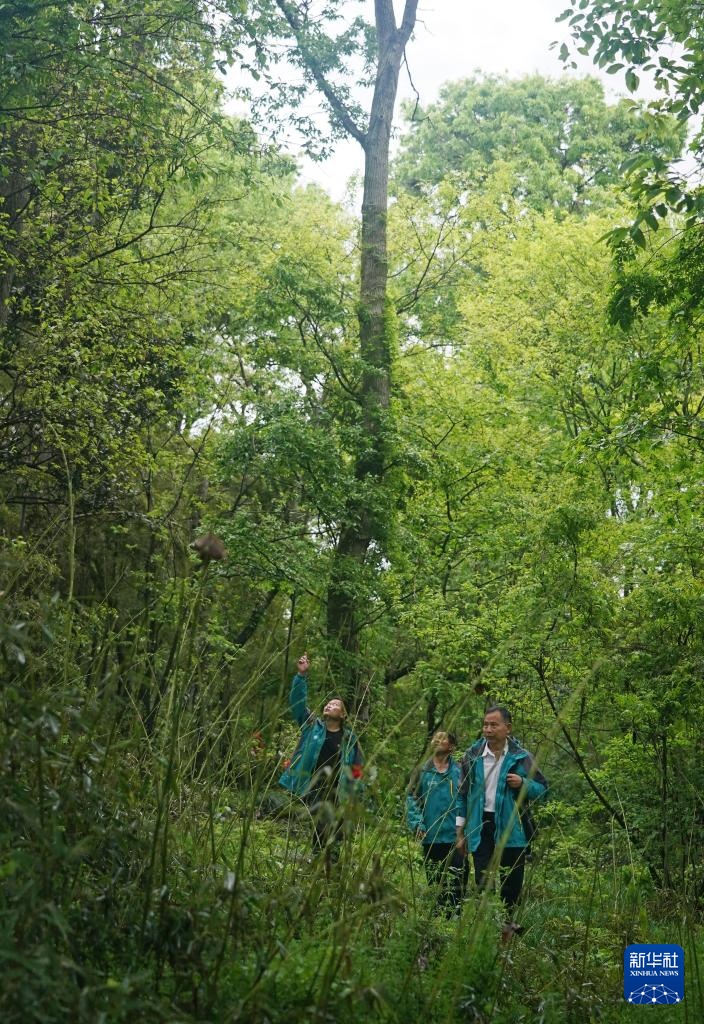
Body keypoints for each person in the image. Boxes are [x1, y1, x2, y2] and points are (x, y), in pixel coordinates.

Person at [455, 704, 547, 931]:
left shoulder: (521, 757)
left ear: (508, 727)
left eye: (493, 725)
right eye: (485, 725)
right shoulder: (472, 756)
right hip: (480, 825)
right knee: (483, 880)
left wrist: (523, 783)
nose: (488, 729)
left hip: (512, 827)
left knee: (511, 882)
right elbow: (462, 795)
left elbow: (543, 790)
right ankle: (485, 929)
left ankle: (507, 927)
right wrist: (460, 832)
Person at [279, 653, 363, 866]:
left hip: (339, 790)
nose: (328, 706)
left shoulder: (349, 738)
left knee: (338, 828)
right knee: (321, 824)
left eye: (334, 705)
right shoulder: (312, 726)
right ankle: (318, 860)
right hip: (315, 786)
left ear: (343, 715)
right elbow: (298, 703)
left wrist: (356, 792)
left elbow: (357, 767)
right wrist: (301, 676)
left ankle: (331, 864)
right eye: (327, 704)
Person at [406, 730, 467, 913]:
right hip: (431, 836)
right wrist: (417, 823)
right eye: (435, 738)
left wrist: (464, 831)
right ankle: (437, 921)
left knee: (456, 883)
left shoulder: (459, 771)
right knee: (435, 883)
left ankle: (455, 919)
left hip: (455, 837)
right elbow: (411, 798)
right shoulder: (422, 771)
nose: (436, 740)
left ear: (451, 747)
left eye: (442, 738)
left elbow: (467, 800)